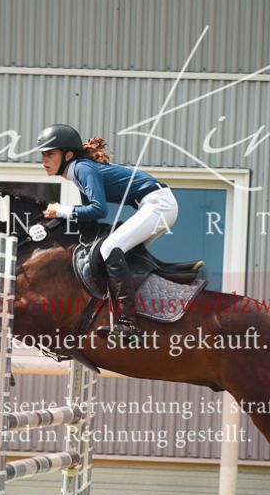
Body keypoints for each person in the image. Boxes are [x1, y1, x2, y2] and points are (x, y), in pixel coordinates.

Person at [37, 123, 178, 344]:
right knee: (118, 252)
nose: (44, 160)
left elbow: (98, 209)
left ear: (68, 155)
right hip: (155, 204)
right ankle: (140, 312)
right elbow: (89, 221)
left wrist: (61, 209)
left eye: (49, 154)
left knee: (111, 248)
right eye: (43, 155)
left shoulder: (83, 169)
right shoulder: (78, 174)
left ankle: (129, 323)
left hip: (159, 204)